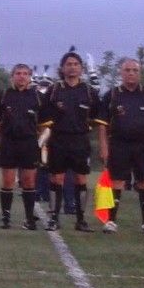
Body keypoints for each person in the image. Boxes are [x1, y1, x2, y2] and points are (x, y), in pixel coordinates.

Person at [96, 59, 144, 235]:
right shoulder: (112, 95)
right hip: (118, 144)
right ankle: (111, 221)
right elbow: (102, 125)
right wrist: (104, 147)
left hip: (143, 145)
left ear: (140, 73)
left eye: (135, 70)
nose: (131, 73)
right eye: (127, 70)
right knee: (117, 181)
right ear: (121, 73)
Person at [40, 51, 101, 232]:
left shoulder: (89, 92)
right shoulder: (54, 90)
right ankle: (53, 218)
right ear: (63, 68)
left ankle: (80, 220)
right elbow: (44, 116)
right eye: (69, 64)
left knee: (81, 178)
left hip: (80, 140)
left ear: (81, 68)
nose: (72, 67)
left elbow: (97, 117)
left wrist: (86, 128)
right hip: (58, 140)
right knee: (56, 178)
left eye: (75, 64)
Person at [0, 64, 44, 229]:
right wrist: (2, 137)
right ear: (12, 76)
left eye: (25, 74)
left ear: (30, 77)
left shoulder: (37, 97)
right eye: (18, 73)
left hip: (29, 143)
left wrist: (39, 140)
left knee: (28, 181)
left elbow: (44, 124)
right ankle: (6, 217)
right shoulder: (3, 96)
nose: (21, 77)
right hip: (8, 142)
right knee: (8, 181)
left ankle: (29, 218)